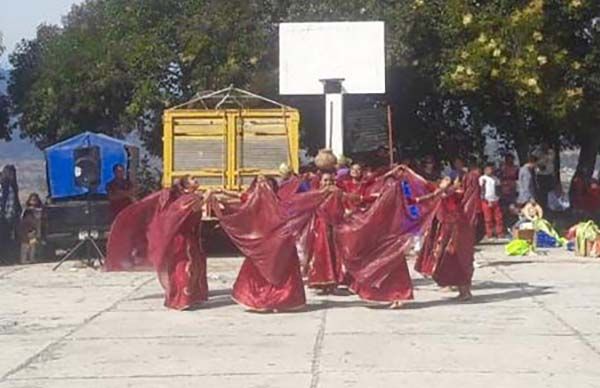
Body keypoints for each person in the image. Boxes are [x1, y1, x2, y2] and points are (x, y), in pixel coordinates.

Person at [213, 175, 327, 312]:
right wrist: (220, 195)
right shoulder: (253, 200)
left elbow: (305, 201)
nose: (263, 186)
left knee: (277, 271)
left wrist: (324, 192)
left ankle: (278, 301)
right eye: (260, 183)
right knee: (264, 272)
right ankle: (265, 301)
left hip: (279, 243)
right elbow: (238, 196)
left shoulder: (281, 202)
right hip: (264, 244)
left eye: (265, 183)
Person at [106, 176, 209, 311]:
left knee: (196, 267)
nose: (196, 180)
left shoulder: (191, 197)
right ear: (185, 187)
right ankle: (180, 300)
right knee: (183, 268)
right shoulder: (187, 199)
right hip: (182, 240)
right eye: (192, 179)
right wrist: (208, 195)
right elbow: (195, 208)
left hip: (191, 239)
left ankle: (192, 296)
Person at [415, 176, 475, 301]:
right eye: (443, 180)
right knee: (445, 259)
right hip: (446, 228)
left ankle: (465, 291)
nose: (444, 181)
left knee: (458, 259)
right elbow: (429, 192)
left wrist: (446, 187)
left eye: (447, 180)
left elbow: (449, 194)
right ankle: (461, 290)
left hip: (457, 230)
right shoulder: (441, 192)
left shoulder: (454, 192)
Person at [306, 173, 345, 294]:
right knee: (320, 255)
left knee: (334, 255)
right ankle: (321, 282)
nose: (328, 183)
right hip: (319, 229)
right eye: (325, 180)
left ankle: (333, 282)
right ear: (320, 182)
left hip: (333, 228)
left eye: (330, 180)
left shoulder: (337, 194)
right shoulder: (315, 195)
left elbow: (342, 210)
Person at [0, 165, 22, 262]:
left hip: (8, 218)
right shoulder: (3, 186)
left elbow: (13, 202)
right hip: (3, 217)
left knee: (6, 239)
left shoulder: (11, 187)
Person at [479, 163, 505, 240]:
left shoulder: (496, 179)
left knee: (498, 218)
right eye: (488, 169)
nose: (490, 171)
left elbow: (498, 189)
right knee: (488, 219)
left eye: (491, 169)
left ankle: (499, 233)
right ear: (485, 170)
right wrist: (485, 199)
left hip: (495, 200)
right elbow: (482, 189)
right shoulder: (482, 178)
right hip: (486, 200)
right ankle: (489, 234)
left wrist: (498, 197)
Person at [18, 193, 44, 264]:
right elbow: (22, 219)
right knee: (25, 245)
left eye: (35, 200)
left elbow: (38, 219)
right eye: (32, 200)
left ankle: (32, 258)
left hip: (33, 229)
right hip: (26, 229)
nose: (33, 201)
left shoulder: (39, 210)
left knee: (33, 245)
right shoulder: (26, 210)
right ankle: (23, 259)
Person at [533, 143, 556, 209]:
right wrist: (539, 164)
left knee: (549, 191)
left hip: (549, 174)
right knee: (541, 192)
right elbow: (533, 159)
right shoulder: (537, 152)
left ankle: (548, 206)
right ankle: (541, 206)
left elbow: (550, 160)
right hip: (541, 175)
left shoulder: (551, 152)